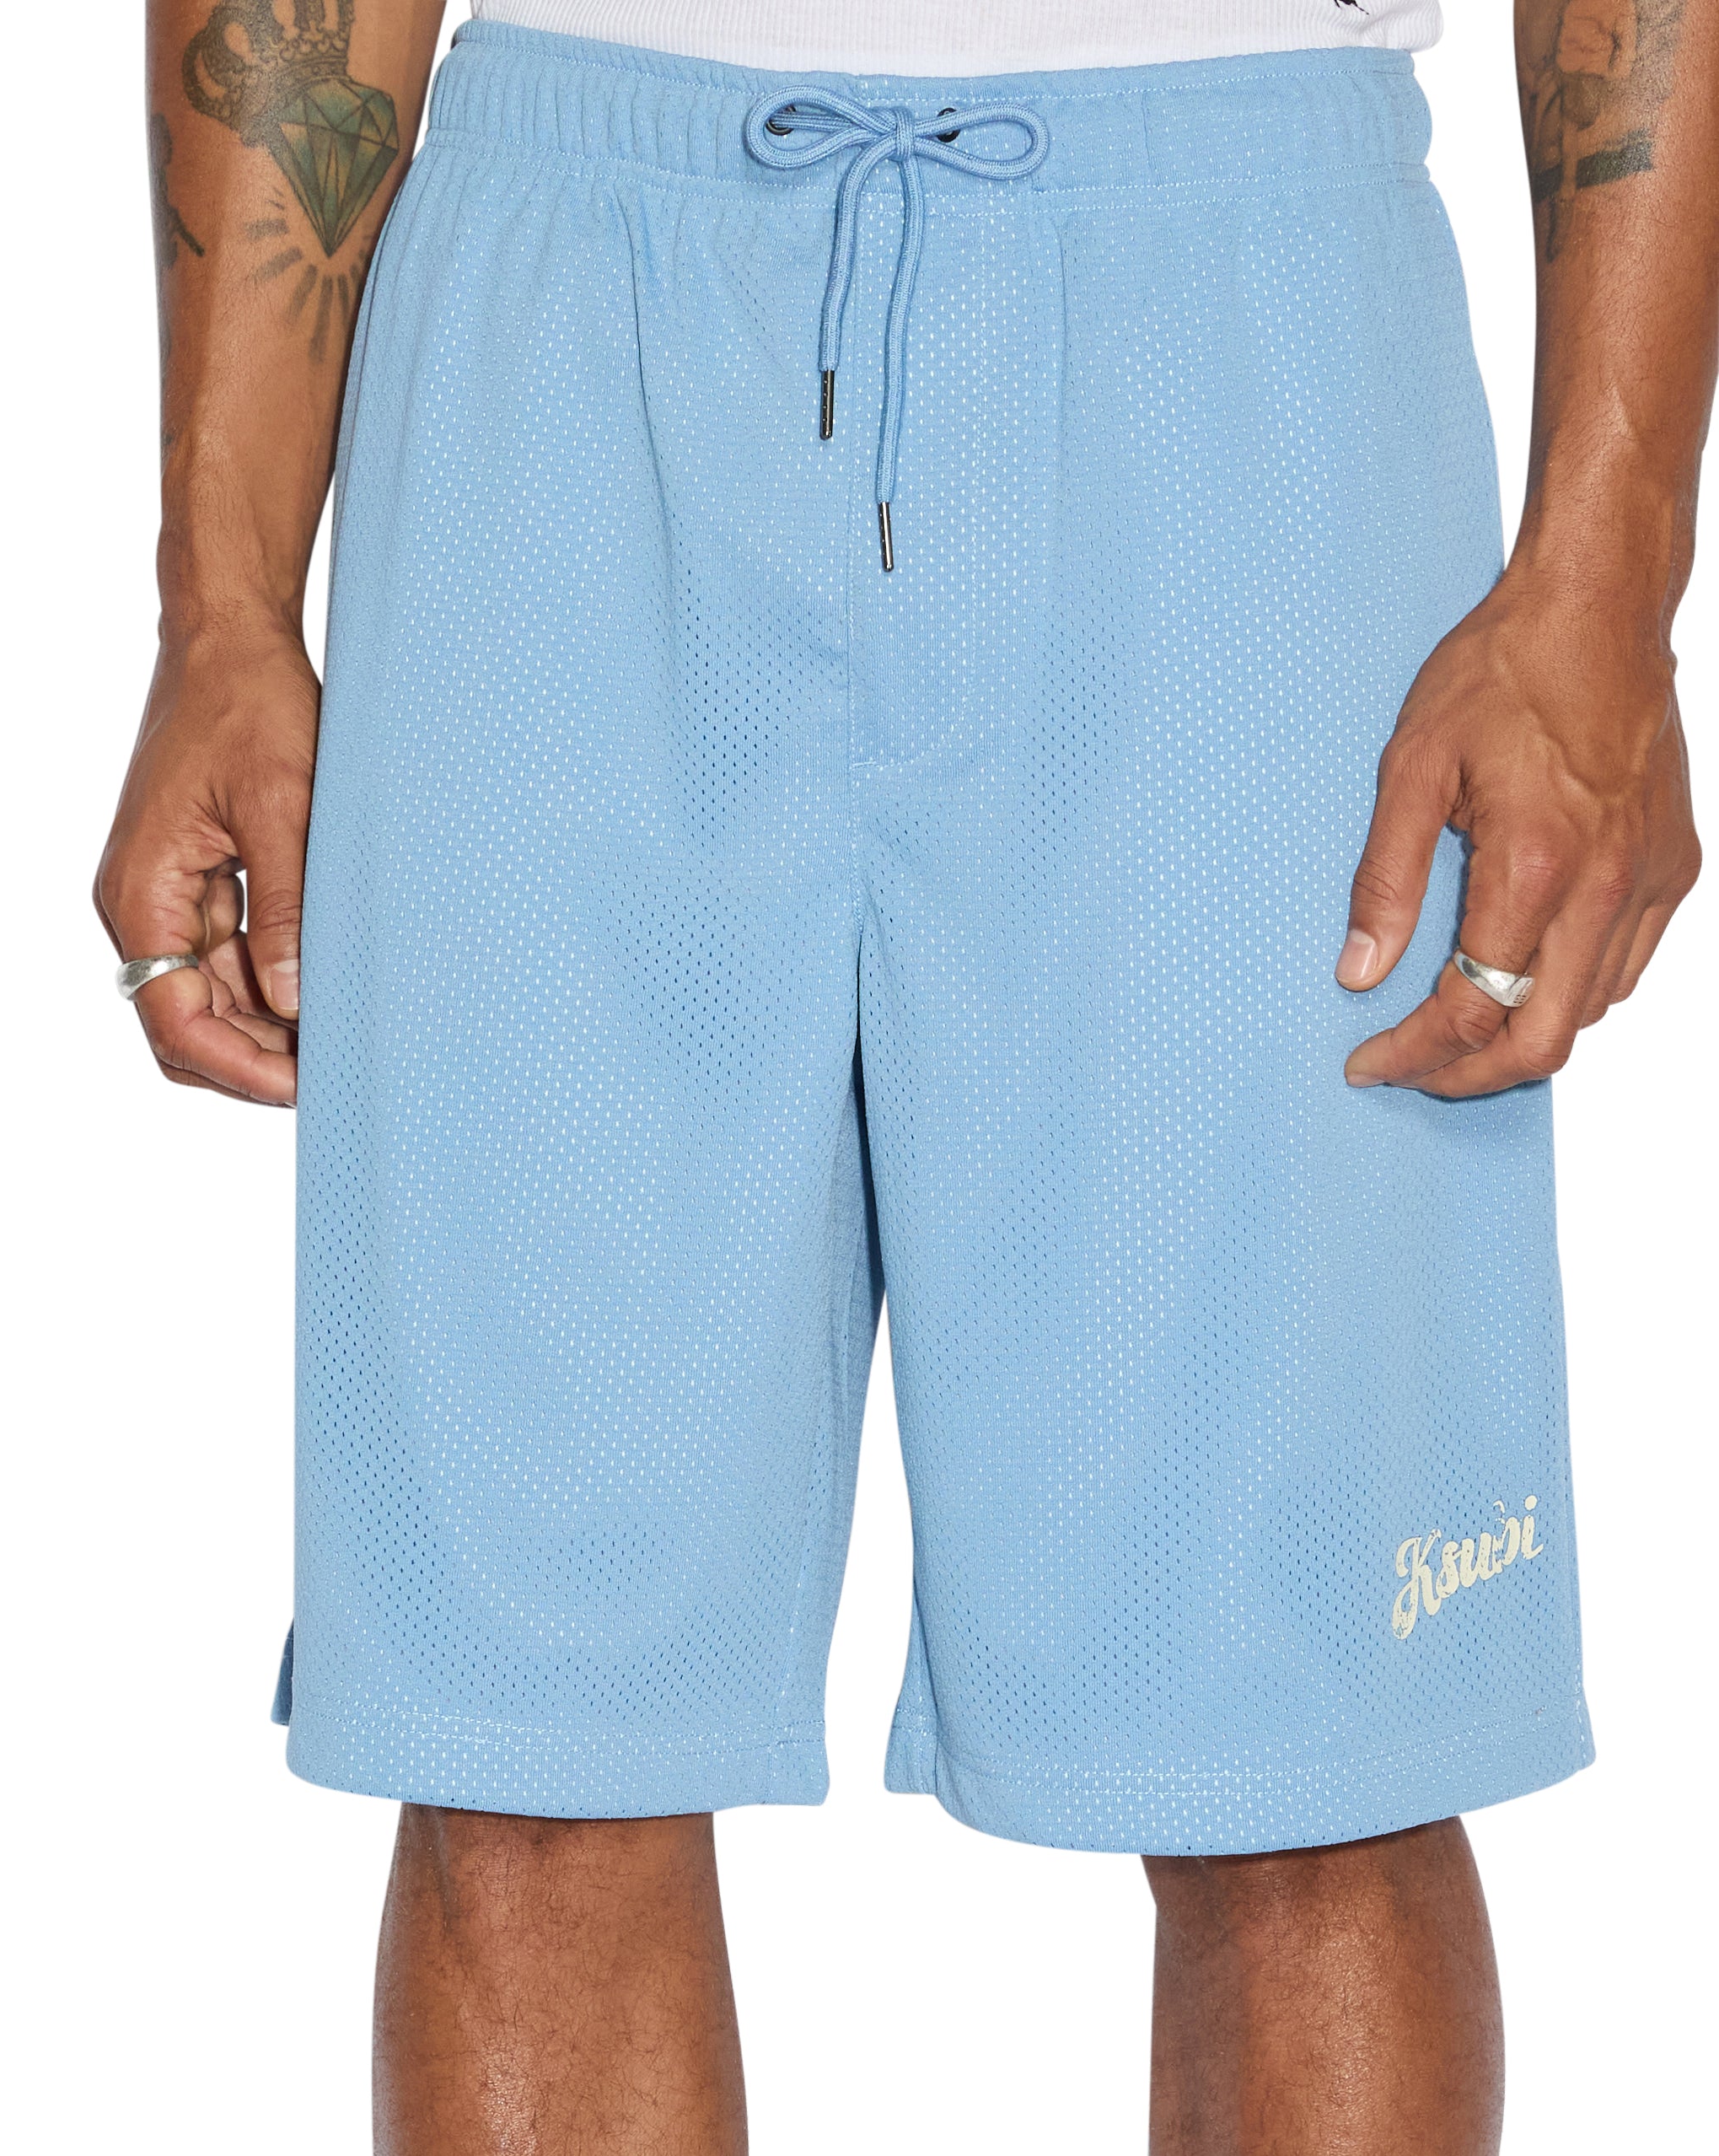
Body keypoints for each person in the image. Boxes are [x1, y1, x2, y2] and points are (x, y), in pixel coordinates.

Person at [98, 1, 1711, 2148]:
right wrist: (218, 608)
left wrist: (1610, 575)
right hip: (566, 314)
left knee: (1306, 1754)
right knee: (526, 1749)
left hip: (1238, 313)